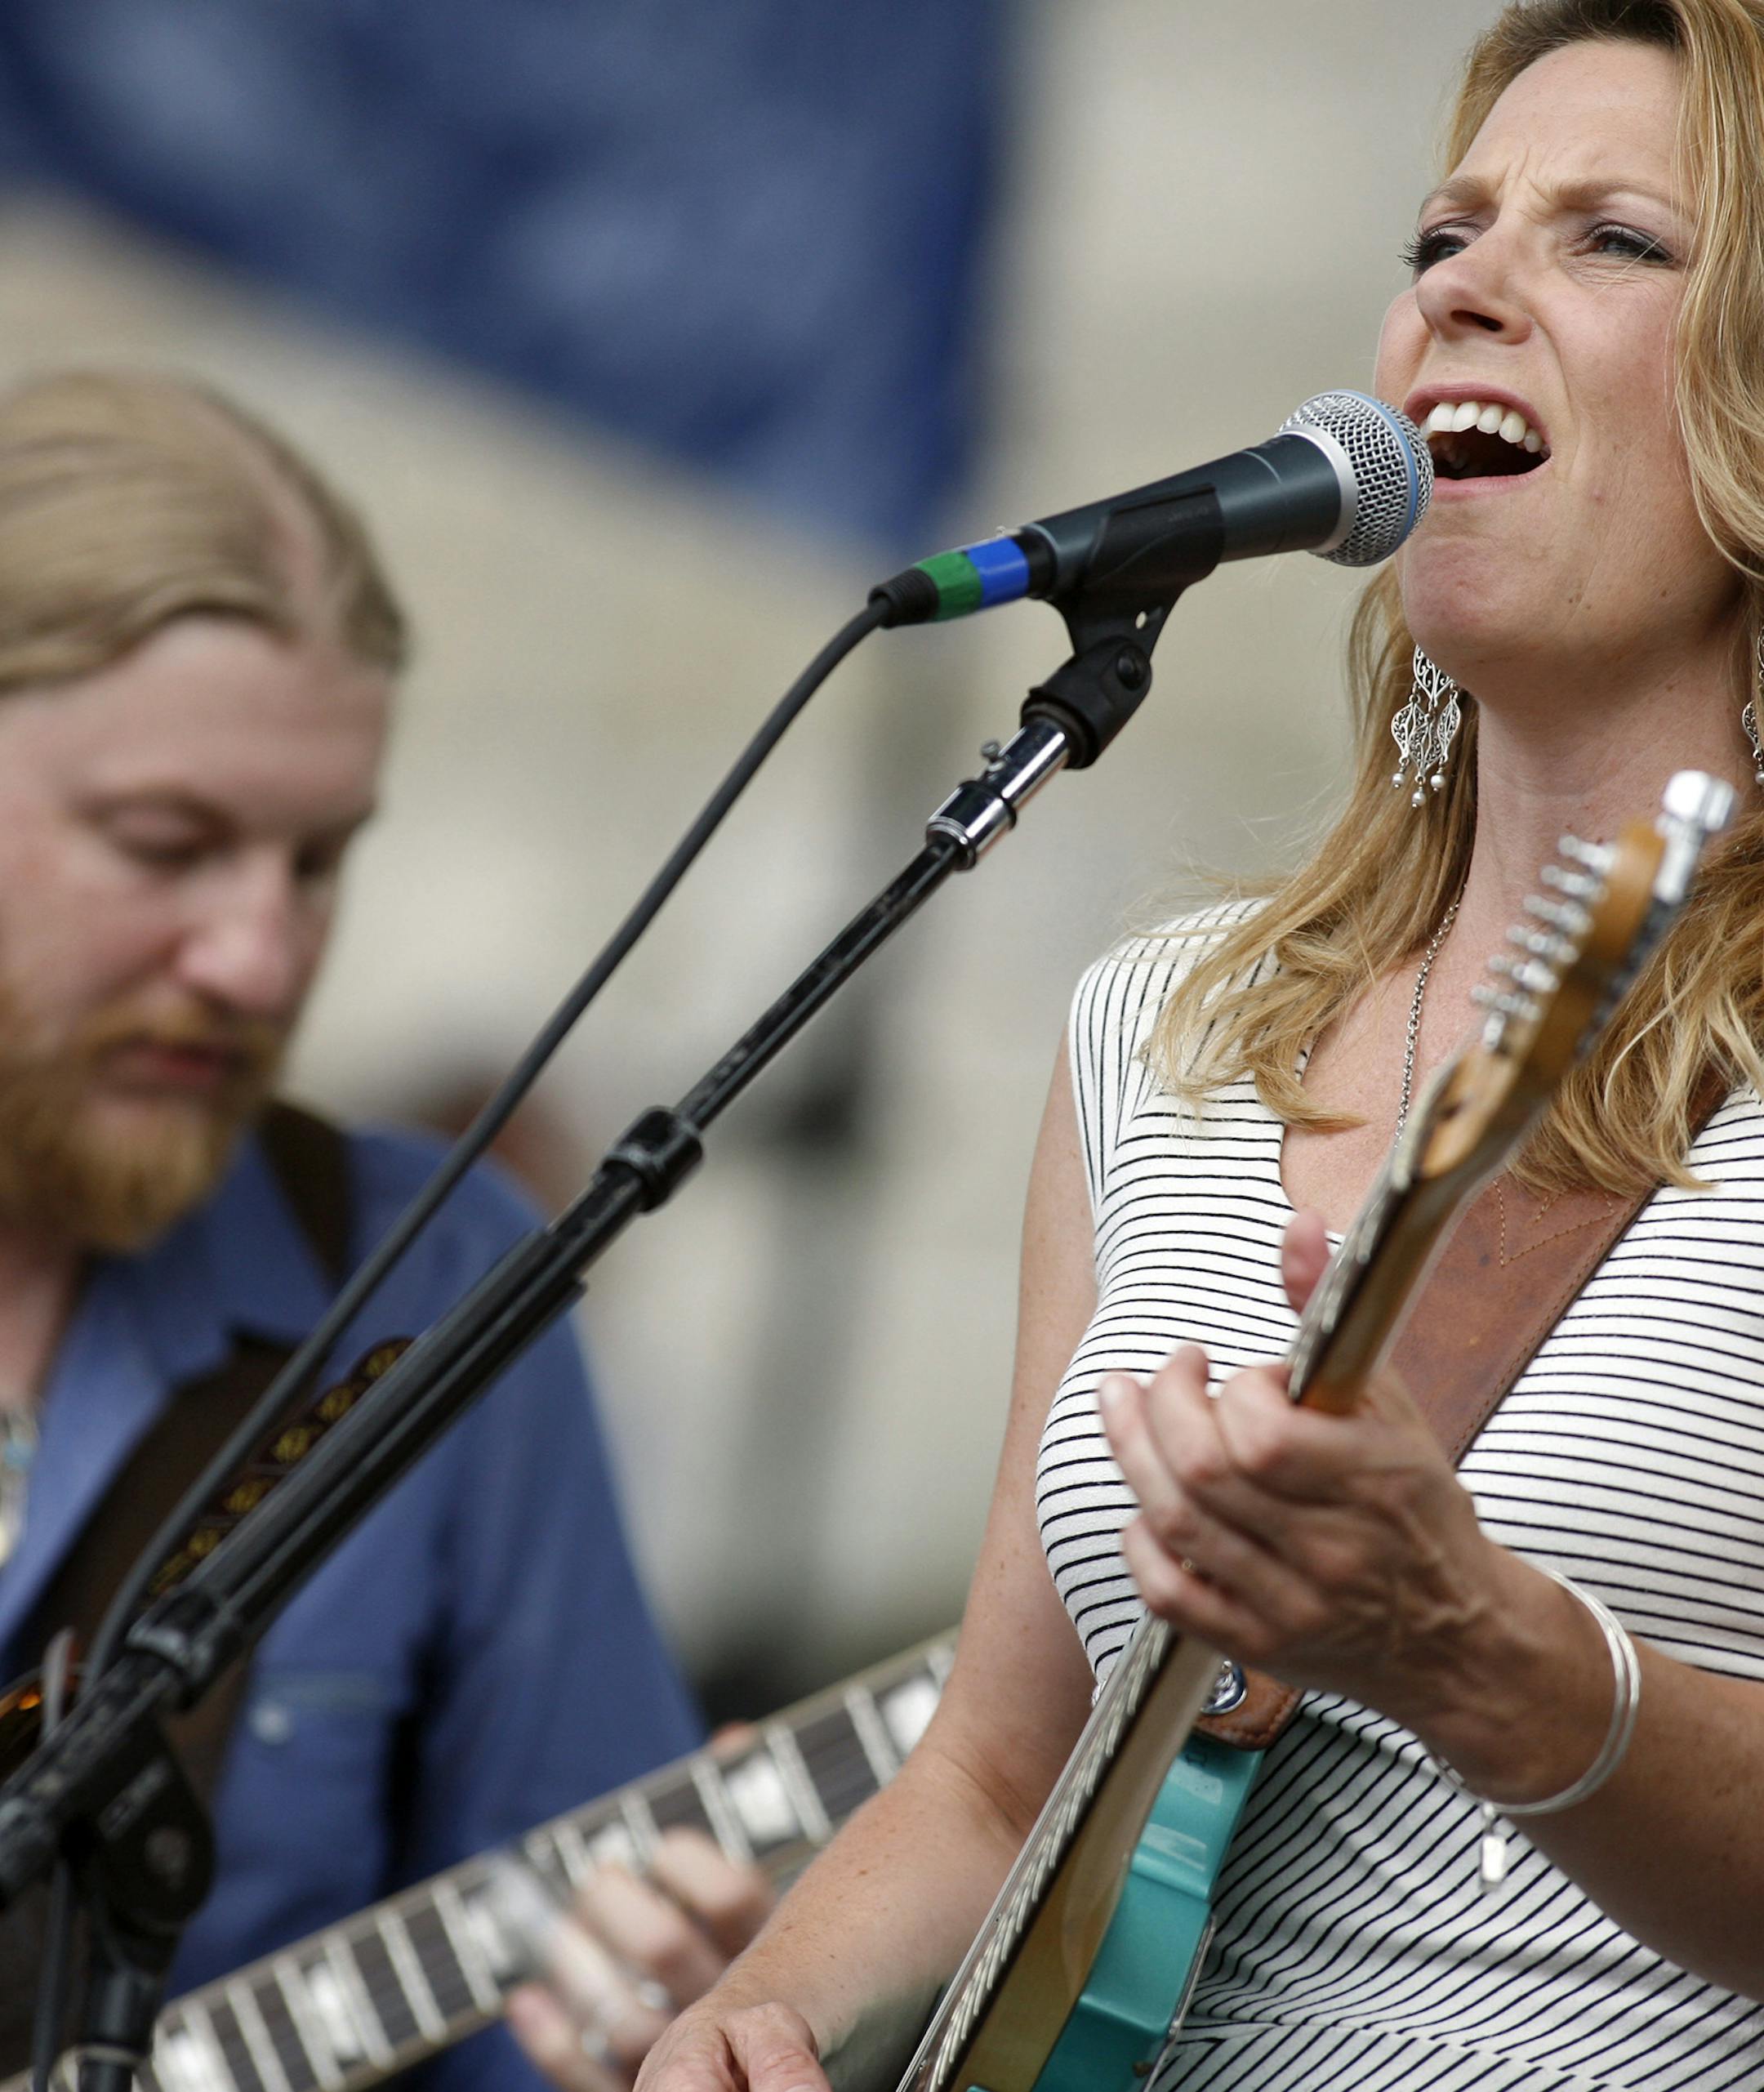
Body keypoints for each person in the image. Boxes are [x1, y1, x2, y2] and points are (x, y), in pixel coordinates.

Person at [623, 3, 1764, 2087]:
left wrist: (1491, 1657)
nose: (1464, 286)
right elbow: (993, 1779)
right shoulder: (1166, 1026)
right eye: (1446, 230)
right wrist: (754, 2012)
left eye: (1613, 241)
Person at [0, 368, 765, 2092]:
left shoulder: (423, 1296)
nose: (258, 960)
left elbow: (558, 1986)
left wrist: (637, 2035)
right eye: (166, 843)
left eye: (317, 861)